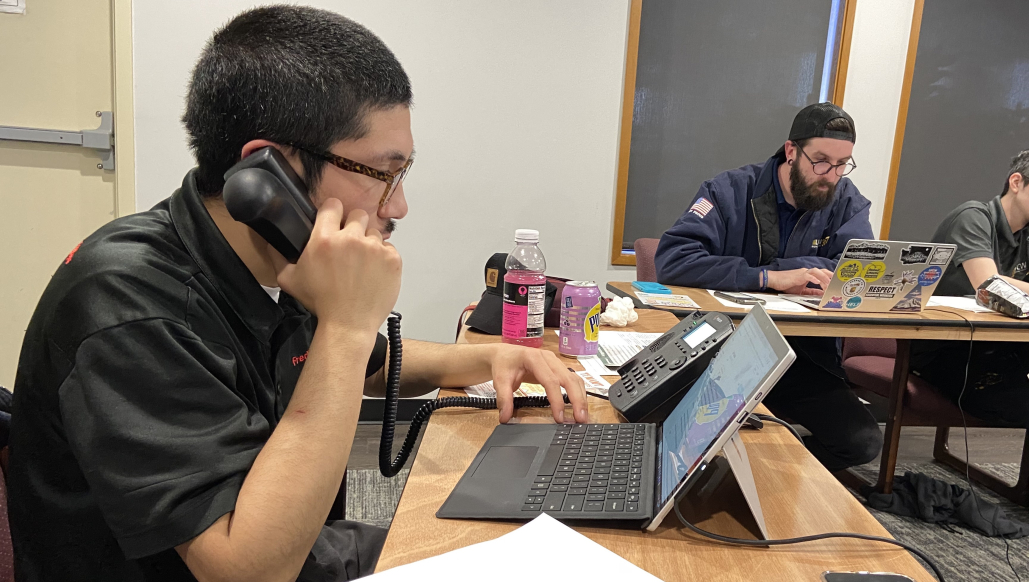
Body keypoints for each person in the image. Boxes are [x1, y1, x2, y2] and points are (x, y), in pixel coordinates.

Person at [7, 7, 587, 582]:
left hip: (306, 544)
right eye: (383, 174)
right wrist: (347, 325)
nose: (398, 207)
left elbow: (367, 368)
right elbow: (246, 571)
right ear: (272, 172)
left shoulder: (274, 259)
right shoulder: (127, 303)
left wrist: (487, 357)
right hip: (256, 561)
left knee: (533, 538)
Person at [654, 102, 881, 473]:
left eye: (842, 164)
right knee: (674, 431)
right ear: (791, 151)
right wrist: (769, 279)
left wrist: (788, 271)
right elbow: (673, 260)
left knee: (861, 443)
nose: (831, 175)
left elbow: (859, 271)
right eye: (821, 161)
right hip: (723, 355)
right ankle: (726, 467)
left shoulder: (846, 200)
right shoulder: (728, 191)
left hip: (801, 359)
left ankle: (764, 471)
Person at [911, 146, 1029, 427]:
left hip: (991, 347)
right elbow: (988, 284)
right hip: (943, 348)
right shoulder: (973, 216)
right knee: (1028, 410)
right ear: (1017, 182)